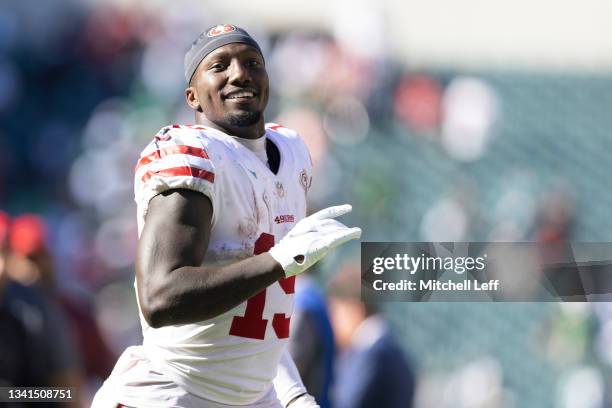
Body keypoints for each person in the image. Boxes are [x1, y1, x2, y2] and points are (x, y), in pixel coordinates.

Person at [93, 24, 361, 408]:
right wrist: (280, 260)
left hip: (254, 398)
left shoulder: (291, 153)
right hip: (172, 393)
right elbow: (160, 297)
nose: (239, 73)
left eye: (252, 62)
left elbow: (258, 322)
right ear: (193, 96)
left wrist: (293, 394)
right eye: (219, 65)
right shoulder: (193, 154)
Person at [328, 263, 416, 408]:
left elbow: (344, 404)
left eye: (336, 312)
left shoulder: (372, 354)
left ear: (355, 309)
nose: (333, 322)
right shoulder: (386, 347)